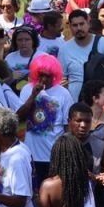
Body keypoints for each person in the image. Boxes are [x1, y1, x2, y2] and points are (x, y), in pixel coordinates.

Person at [18, 54, 74, 187]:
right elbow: (18, 117)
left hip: (53, 156)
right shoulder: (27, 90)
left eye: (47, 76)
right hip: (31, 155)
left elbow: (68, 126)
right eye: (41, 75)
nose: (43, 79)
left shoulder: (63, 94)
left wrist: (66, 152)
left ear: (54, 75)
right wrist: (33, 96)